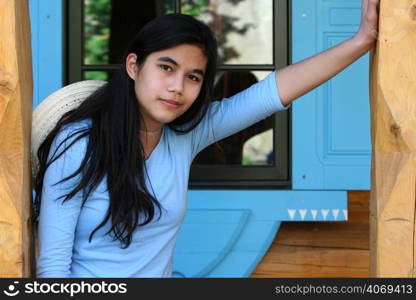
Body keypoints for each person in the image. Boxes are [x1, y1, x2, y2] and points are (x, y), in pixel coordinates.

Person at [34, 0, 379, 277]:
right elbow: (53, 269)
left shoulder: (184, 135)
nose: (177, 87)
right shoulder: (80, 142)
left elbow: (276, 90)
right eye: (166, 68)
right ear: (134, 66)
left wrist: (361, 40)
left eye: (193, 77)